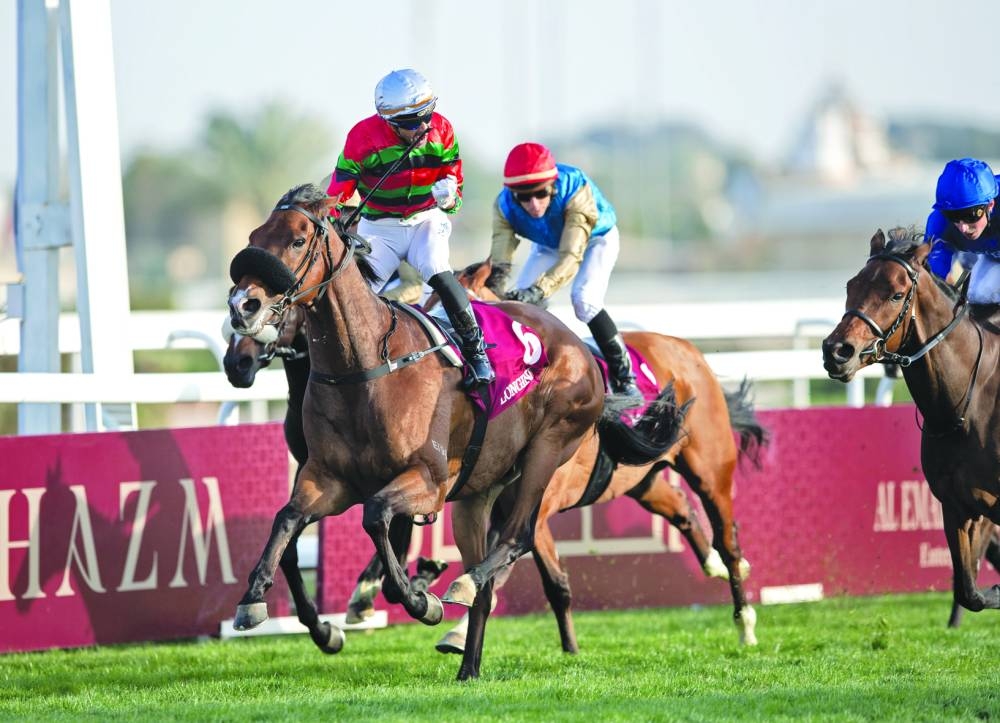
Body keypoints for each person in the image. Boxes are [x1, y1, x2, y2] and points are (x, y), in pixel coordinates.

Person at [325, 68, 493, 386]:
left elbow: (456, 193)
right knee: (353, 295)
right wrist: (333, 216)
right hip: (379, 228)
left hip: (425, 220)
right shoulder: (362, 137)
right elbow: (340, 189)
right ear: (390, 122)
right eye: (414, 123)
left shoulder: (443, 130)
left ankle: (476, 353)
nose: (425, 125)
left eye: (427, 115)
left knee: (436, 268)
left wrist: (449, 198)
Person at [490, 142, 641, 397]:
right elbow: (500, 261)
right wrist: (494, 290)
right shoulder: (503, 206)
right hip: (548, 244)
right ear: (512, 194)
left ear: (553, 186)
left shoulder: (574, 188)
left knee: (585, 301)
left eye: (540, 193)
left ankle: (625, 378)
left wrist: (539, 290)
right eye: (524, 197)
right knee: (517, 306)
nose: (534, 204)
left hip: (596, 239)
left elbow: (571, 256)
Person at [925, 157, 1000, 317]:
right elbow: (934, 281)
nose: (963, 228)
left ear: (990, 205)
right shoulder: (939, 223)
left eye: (970, 215)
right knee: (979, 296)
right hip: (980, 255)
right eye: (953, 216)